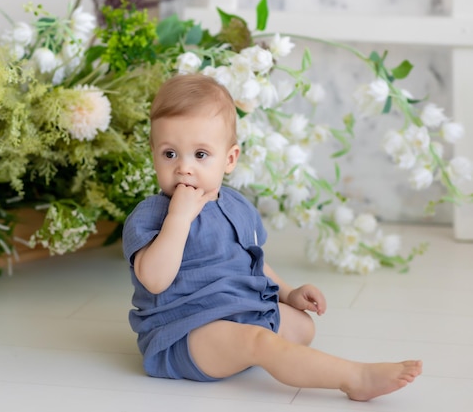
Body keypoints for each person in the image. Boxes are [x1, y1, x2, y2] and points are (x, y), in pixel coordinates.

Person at [121, 73, 422, 401]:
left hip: (238, 310)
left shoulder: (236, 205)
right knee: (261, 342)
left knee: (303, 327)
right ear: (154, 155)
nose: (184, 168)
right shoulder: (151, 216)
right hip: (185, 333)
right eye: (170, 154)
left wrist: (289, 293)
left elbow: (253, 264)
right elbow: (154, 280)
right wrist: (178, 219)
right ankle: (355, 377)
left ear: (230, 159)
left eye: (201, 154)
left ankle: (252, 347)